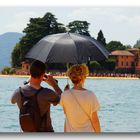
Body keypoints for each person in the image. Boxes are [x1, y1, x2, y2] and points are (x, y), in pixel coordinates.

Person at [11, 60, 62, 132]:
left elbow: (12, 101)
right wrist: (54, 85)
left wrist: (27, 82)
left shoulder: (19, 92)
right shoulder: (46, 93)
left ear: (30, 73)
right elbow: (64, 100)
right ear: (42, 75)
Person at [60, 64, 101, 132]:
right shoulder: (90, 95)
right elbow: (95, 120)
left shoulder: (64, 94)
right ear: (84, 77)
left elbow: (66, 113)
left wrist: (65, 92)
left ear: (71, 77)